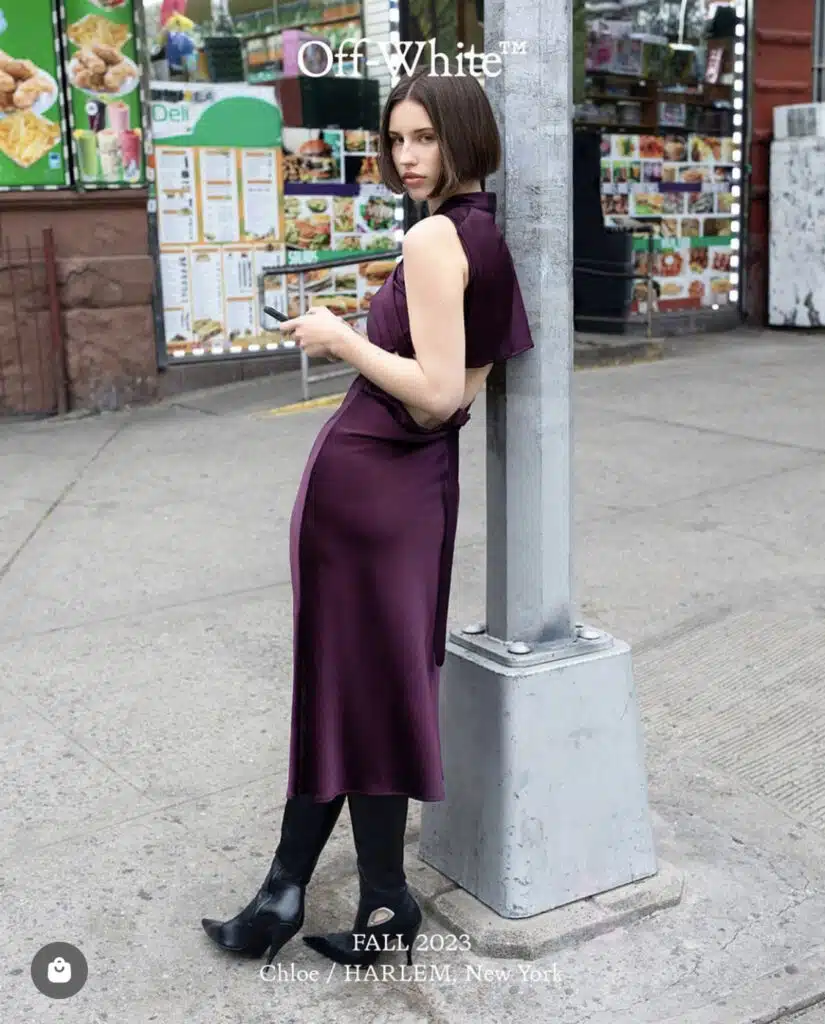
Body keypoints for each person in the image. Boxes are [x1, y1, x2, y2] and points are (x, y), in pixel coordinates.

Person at [201, 65, 534, 969]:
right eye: (397, 139)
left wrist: (343, 335)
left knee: (353, 692)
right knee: (371, 693)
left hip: (375, 492)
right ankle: (320, 895)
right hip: (407, 494)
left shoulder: (434, 241)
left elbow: (434, 394)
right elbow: (460, 389)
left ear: (464, 134)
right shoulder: (483, 236)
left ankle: (343, 896)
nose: (408, 155)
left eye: (425, 136)